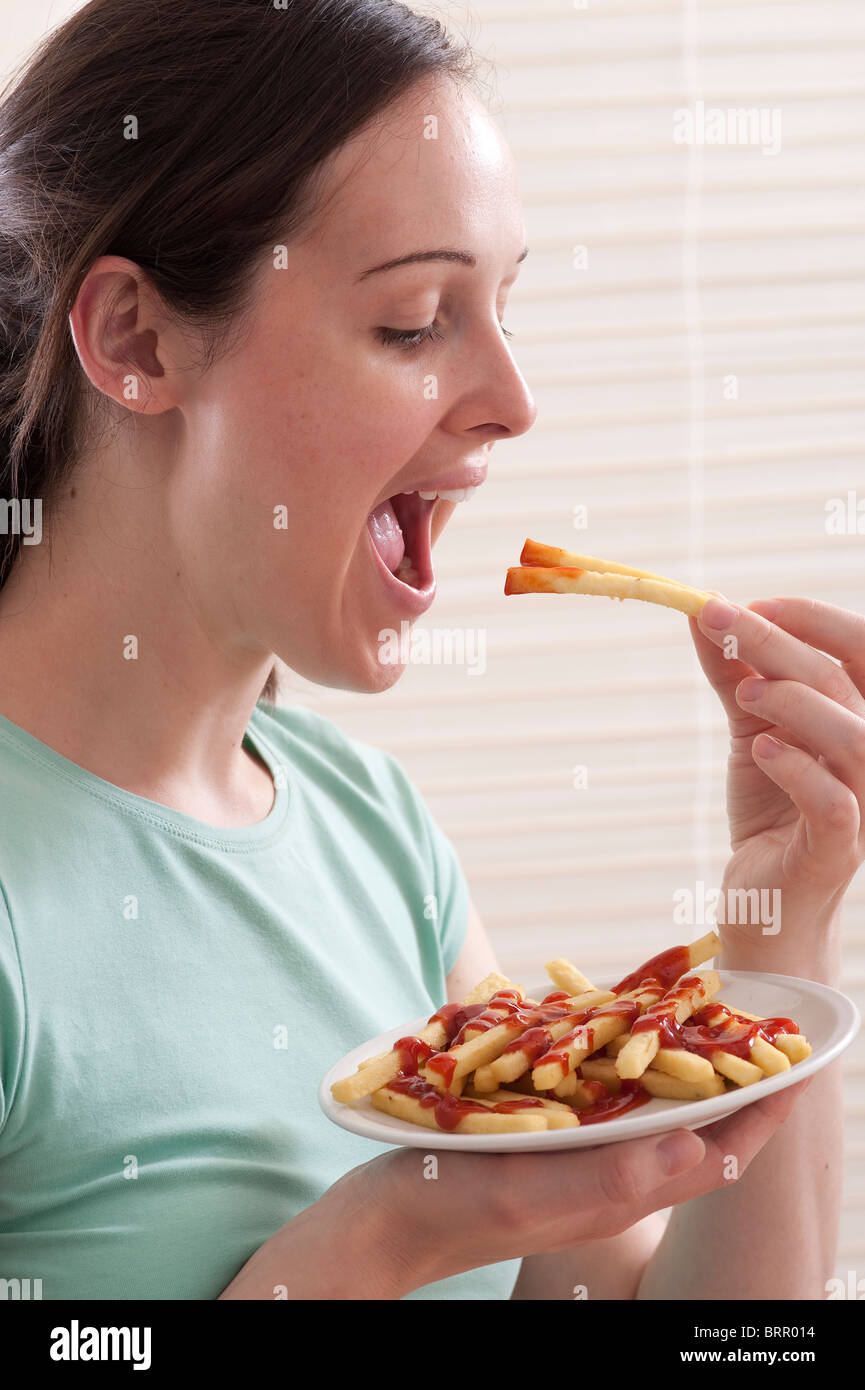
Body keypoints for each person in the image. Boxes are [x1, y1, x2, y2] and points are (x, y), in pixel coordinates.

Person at [0, 0, 855, 1301]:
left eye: (503, 308)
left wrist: (776, 919)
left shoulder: (374, 836)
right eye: (412, 322)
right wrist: (382, 1237)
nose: (514, 401)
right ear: (135, 340)